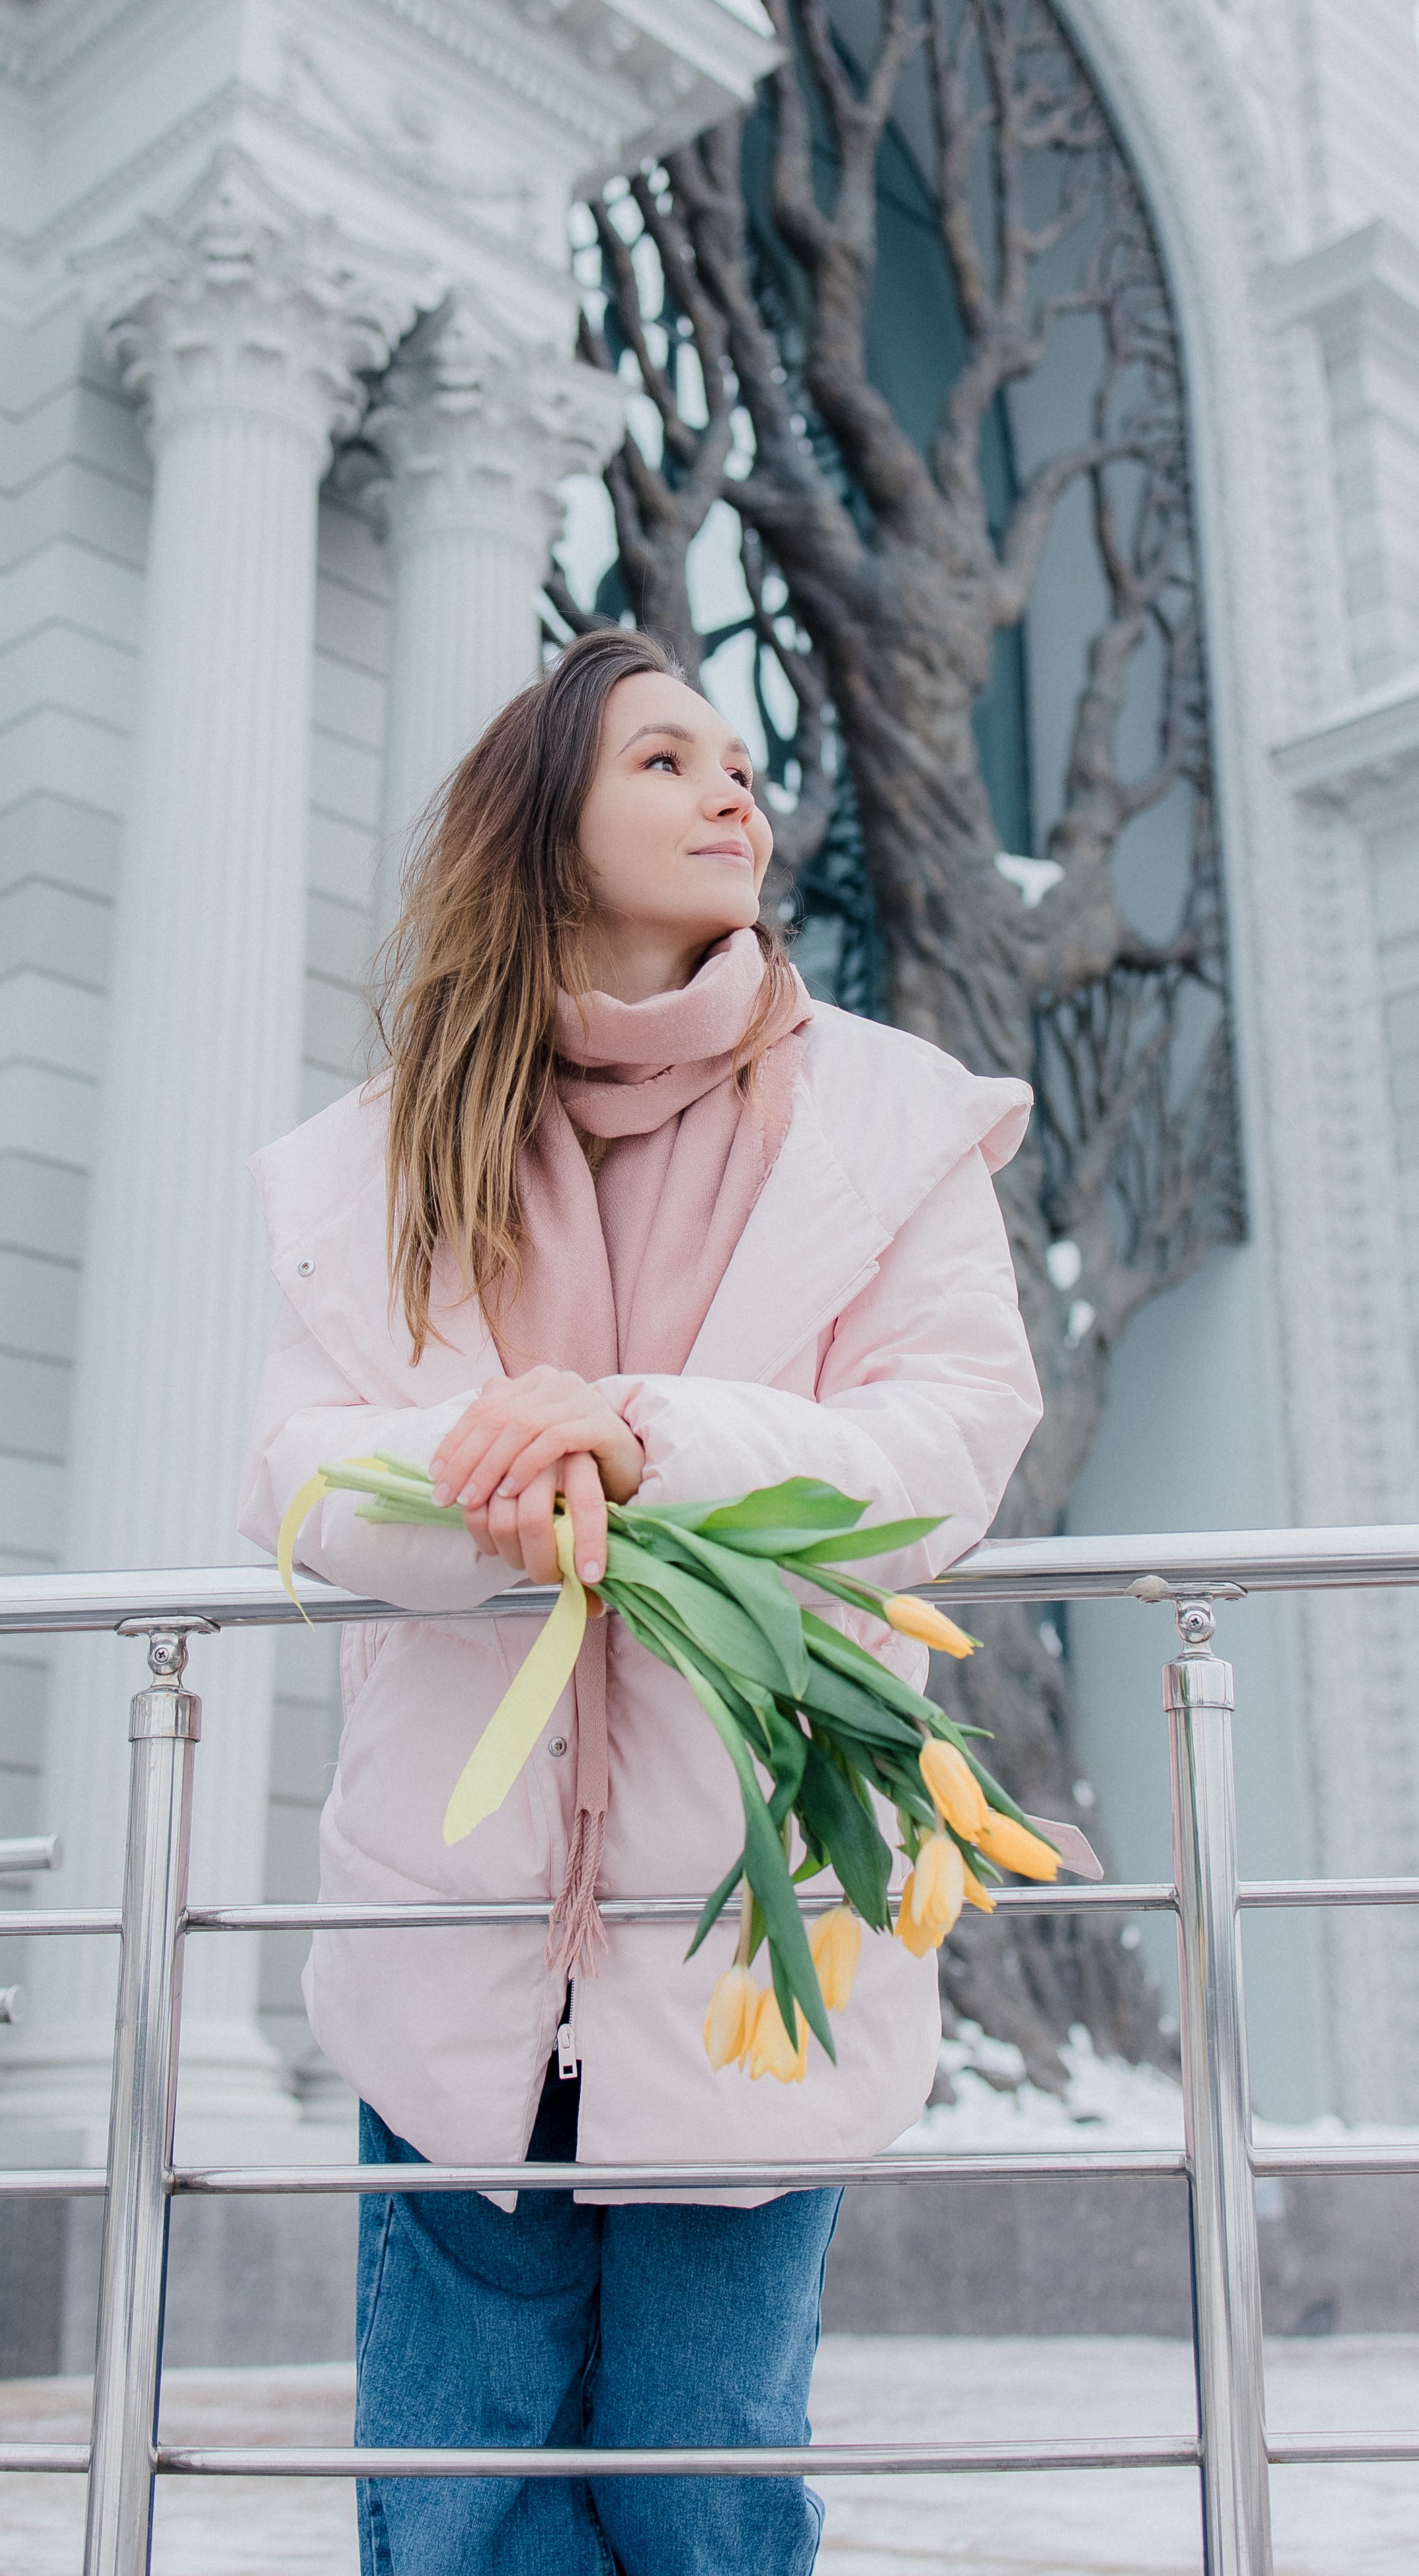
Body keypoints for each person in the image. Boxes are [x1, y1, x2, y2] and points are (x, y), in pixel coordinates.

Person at [239, 627, 1042, 2575]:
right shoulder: (385, 1151)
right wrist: (496, 1489)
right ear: (544, 827)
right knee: (451, 2509)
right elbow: (297, 1474)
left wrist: (641, 1442)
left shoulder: (887, 1116)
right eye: (664, 760)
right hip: (452, 1949)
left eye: (738, 762)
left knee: (705, 2491)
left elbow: (950, 1436)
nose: (731, 790)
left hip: (756, 1935)